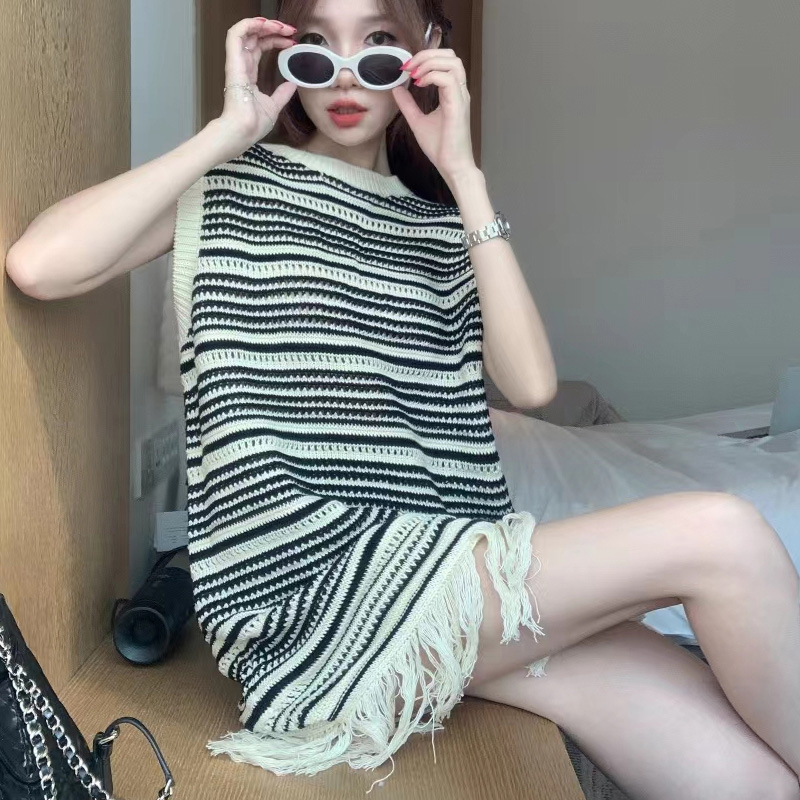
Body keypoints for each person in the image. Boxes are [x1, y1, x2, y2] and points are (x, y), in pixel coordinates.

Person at [6, 2, 800, 797]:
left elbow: (532, 385)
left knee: (745, 768)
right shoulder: (232, 187)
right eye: (316, 48)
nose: (346, 76)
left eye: (379, 43)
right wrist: (226, 132)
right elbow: (40, 266)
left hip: (430, 570)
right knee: (720, 533)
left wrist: (464, 176)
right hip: (306, 592)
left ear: (427, 52)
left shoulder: (443, 228)